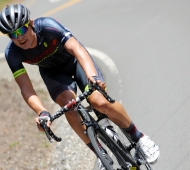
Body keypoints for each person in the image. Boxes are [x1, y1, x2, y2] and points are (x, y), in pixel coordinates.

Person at [0, 4, 160, 169]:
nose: (18, 37)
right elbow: (26, 88)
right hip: (53, 74)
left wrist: (93, 77)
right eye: (12, 34)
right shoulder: (12, 54)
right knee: (69, 106)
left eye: (21, 30)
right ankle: (99, 153)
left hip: (76, 62)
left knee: (99, 102)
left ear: (31, 23)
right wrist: (42, 112)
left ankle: (139, 137)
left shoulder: (47, 26)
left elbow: (77, 49)